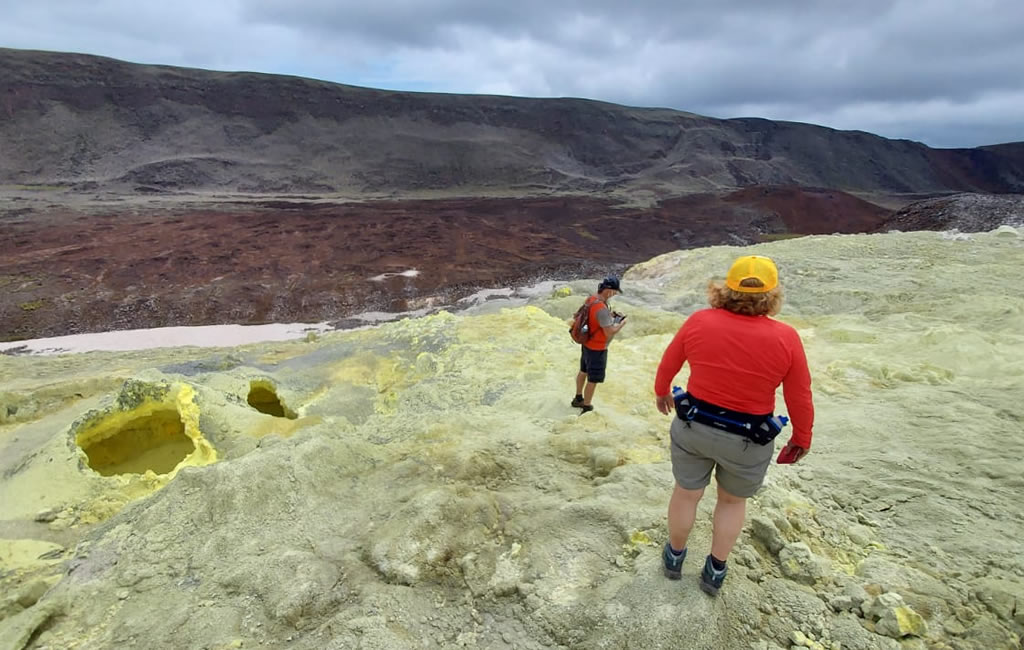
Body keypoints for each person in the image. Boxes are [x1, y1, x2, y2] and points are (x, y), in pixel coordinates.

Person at [652, 255, 814, 596]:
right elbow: (799, 395)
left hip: (695, 426)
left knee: (687, 493)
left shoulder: (700, 321)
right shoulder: (786, 338)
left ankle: (674, 558)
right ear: (772, 295)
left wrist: (662, 392)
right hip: (749, 438)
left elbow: (669, 362)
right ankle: (714, 572)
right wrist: (801, 437)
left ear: (726, 290)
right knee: (730, 502)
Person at [572, 276, 627, 413]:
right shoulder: (601, 308)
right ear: (608, 290)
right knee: (593, 379)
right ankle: (586, 406)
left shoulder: (591, 299)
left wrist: (610, 316)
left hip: (587, 343)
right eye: (614, 291)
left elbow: (593, 318)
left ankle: (578, 398)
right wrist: (621, 324)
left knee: (583, 371)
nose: (615, 294)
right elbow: (610, 331)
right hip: (597, 348)